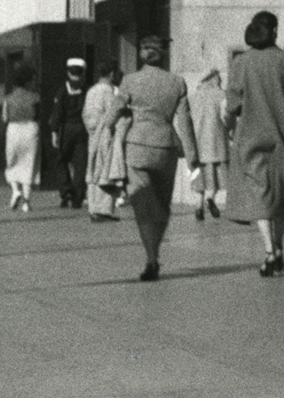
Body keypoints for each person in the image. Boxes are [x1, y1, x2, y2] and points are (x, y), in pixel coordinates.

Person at [104, 35, 199, 282]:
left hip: (135, 147)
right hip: (166, 148)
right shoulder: (177, 82)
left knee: (143, 204)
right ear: (164, 54)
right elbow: (185, 122)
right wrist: (192, 158)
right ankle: (154, 253)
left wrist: (109, 127)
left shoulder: (129, 81)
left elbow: (112, 113)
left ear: (142, 55)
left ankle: (151, 258)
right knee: (162, 205)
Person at [225, 11, 284, 275]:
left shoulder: (241, 62)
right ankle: (280, 247)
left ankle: (269, 250)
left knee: (260, 191)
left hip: (251, 134)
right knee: (282, 192)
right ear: (274, 31)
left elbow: (234, 103)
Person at [83, 60, 124, 222]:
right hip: (106, 135)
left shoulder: (91, 91)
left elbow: (85, 115)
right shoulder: (108, 91)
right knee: (105, 171)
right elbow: (113, 115)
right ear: (112, 74)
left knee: (93, 170)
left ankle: (94, 208)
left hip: (93, 136)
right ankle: (103, 210)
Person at [47, 58, 91, 209]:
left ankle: (66, 191)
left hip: (66, 130)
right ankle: (78, 196)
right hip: (82, 130)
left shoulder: (62, 91)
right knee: (81, 164)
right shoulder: (86, 90)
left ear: (68, 73)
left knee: (61, 161)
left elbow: (57, 113)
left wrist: (54, 132)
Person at [190, 66, 228, 221]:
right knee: (216, 174)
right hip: (216, 141)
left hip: (197, 142)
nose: (220, 81)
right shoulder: (221, 95)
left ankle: (198, 206)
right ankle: (210, 198)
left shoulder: (194, 96)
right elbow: (226, 117)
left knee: (199, 175)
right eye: (219, 78)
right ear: (214, 79)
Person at [1, 64, 40, 212]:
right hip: (31, 129)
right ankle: (26, 202)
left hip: (13, 129)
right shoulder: (35, 97)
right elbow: (38, 115)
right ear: (27, 81)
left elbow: (4, 118)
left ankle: (15, 191)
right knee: (29, 164)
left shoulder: (8, 98)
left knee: (12, 163)